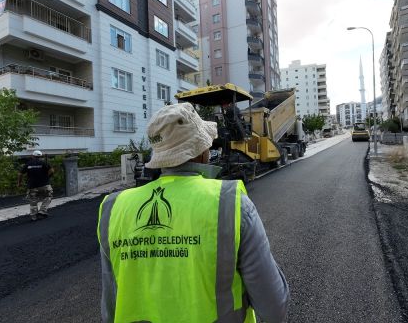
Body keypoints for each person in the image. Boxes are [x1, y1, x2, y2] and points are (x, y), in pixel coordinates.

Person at [97, 103, 289, 323]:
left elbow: (110, 306)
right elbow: (275, 309)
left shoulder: (113, 209)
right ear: (201, 151)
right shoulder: (230, 203)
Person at [18, 150, 54, 221]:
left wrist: (19, 183)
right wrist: (47, 176)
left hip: (32, 186)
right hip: (44, 185)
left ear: (32, 156)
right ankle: (42, 211)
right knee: (48, 196)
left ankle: (34, 217)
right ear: (41, 156)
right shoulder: (44, 163)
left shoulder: (28, 164)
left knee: (33, 201)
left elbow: (20, 174)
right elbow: (52, 171)